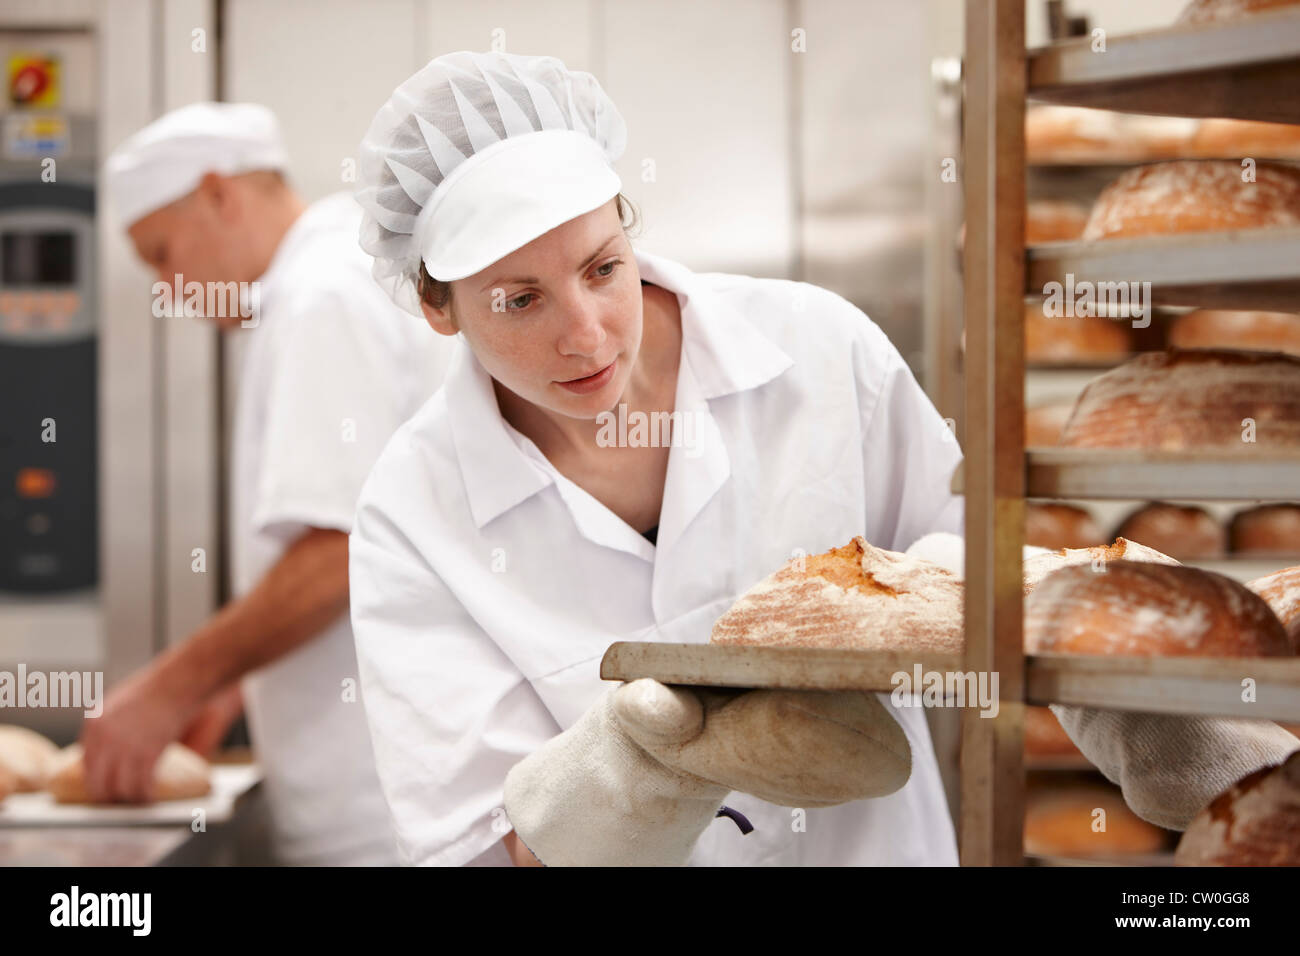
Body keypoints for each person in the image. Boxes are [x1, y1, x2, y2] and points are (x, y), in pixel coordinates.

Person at [346, 52, 965, 867]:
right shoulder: (414, 510)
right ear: (438, 307)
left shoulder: (816, 348)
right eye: (521, 300)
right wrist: (633, 766)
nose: (588, 334)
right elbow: (484, 848)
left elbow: (967, 552)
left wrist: (1102, 682)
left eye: (604, 268)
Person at [91, 103, 454, 865]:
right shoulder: (333, 281)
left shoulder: (319, 296)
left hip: (376, 810)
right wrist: (240, 675)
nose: (169, 287)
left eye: (161, 253)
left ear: (218, 194)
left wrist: (168, 690)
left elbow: (334, 553)